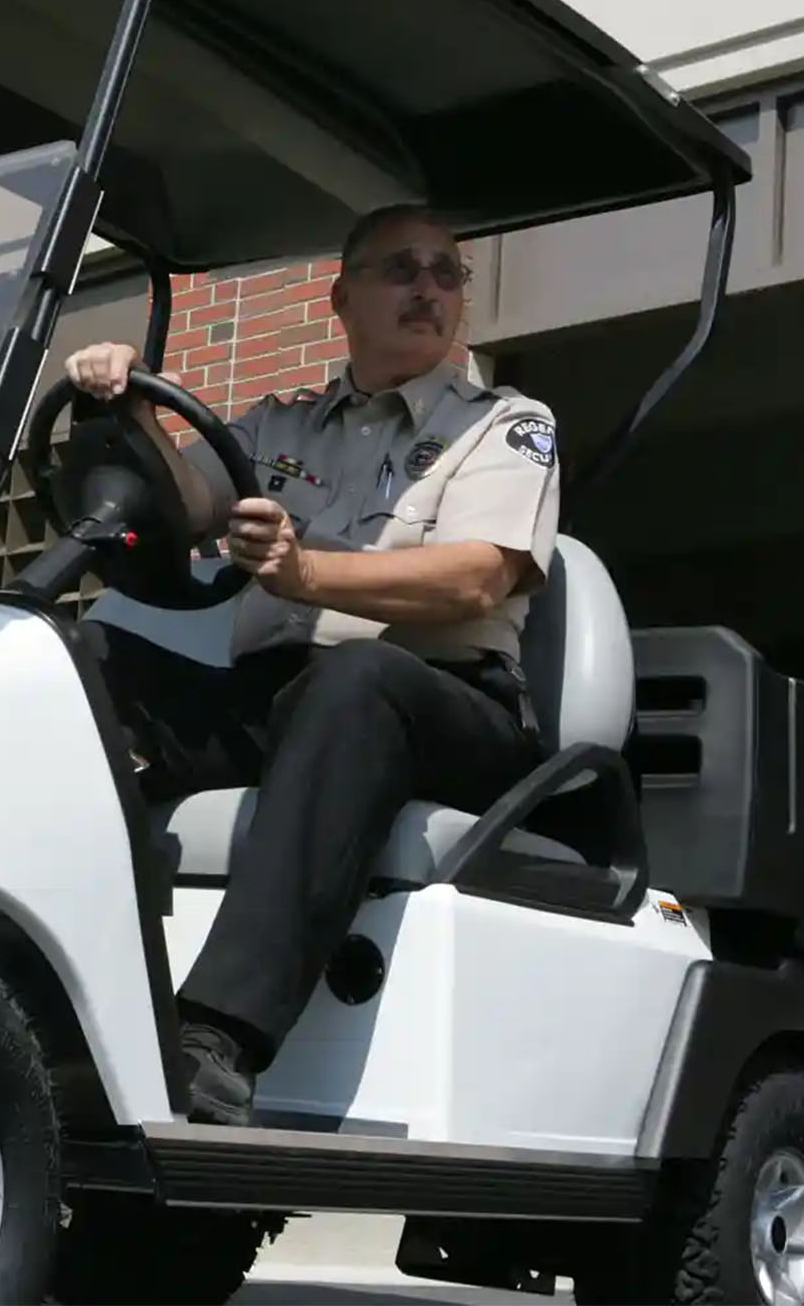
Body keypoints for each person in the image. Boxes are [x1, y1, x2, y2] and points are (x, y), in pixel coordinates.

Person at [64, 203, 561, 1127]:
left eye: (446, 273)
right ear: (341, 298)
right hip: (294, 706)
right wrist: (127, 401)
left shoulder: (504, 424)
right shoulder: (276, 425)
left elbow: (474, 580)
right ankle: (22, 975)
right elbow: (182, 507)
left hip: (446, 706)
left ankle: (215, 1041)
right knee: (80, 659)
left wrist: (307, 572)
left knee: (355, 681)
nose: (428, 288)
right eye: (401, 270)